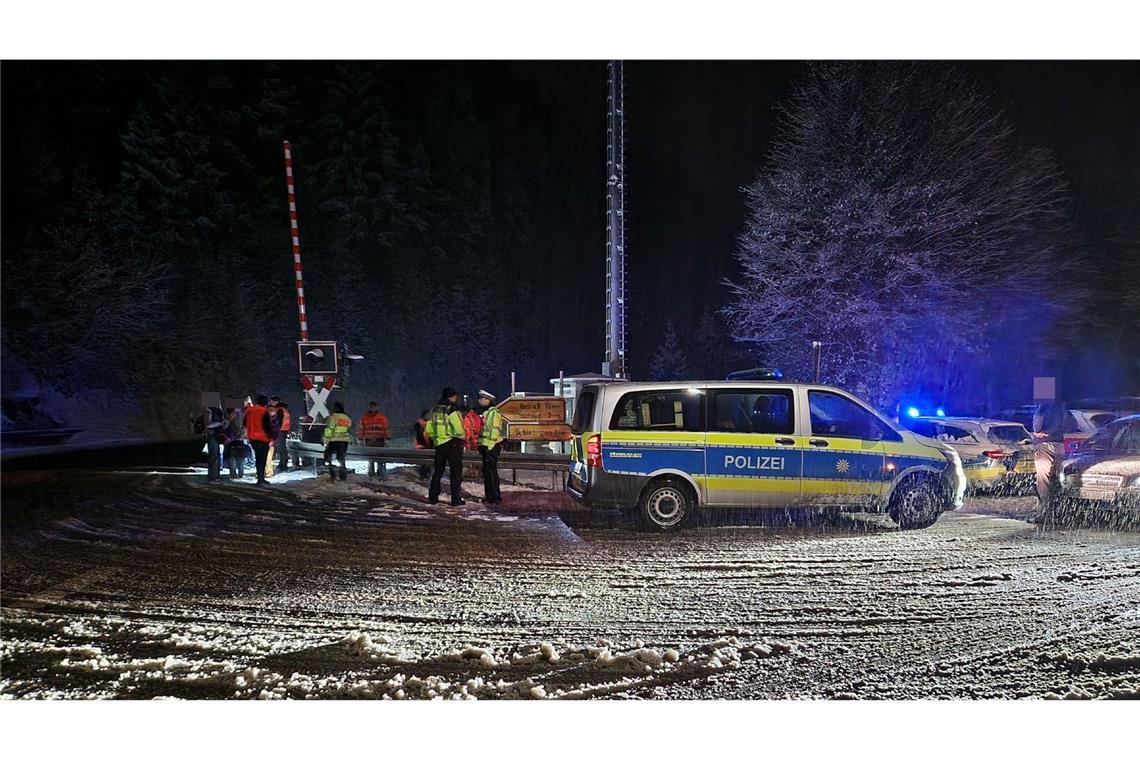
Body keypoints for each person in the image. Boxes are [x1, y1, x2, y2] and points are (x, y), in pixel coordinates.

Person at [426, 387, 465, 506]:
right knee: (455, 472)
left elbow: (429, 428)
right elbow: (458, 429)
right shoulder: (451, 409)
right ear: (452, 397)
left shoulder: (434, 409)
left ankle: (433, 497)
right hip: (452, 443)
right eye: (455, 396)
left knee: (438, 471)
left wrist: (436, 439)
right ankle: (456, 499)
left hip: (439, 444)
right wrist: (461, 437)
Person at [1033, 402, 1068, 520]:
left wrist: (1042, 432)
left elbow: (1037, 427)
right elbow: (1068, 424)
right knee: (1058, 477)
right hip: (1059, 445)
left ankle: (1045, 511)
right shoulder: (1062, 407)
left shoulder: (1043, 406)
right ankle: (1061, 510)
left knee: (1043, 479)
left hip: (1044, 445)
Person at [476, 389, 505, 504]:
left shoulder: (494, 413)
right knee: (488, 473)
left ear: (489, 400)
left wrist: (489, 447)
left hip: (492, 447)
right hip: (486, 446)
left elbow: (494, 431)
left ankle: (494, 497)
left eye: (482, 399)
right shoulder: (487, 412)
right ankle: (490, 497)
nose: (480, 401)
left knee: (491, 473)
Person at [245, 395, 276, 485]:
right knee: (262, 459)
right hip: (262, 438)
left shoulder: (249, 410)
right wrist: (271, 436)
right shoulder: (264, 411)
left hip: (252, 437)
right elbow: (267, 425)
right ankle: (261, 479)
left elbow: (244, 422)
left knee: (257, 458)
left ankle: (260, 478)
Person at [356, 401, 390, 480]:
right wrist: (360, 438)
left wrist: (387, 437)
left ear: (377, 407)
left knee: (380, 459)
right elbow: (361, 428)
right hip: (369, 440)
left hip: (379, 440)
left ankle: (380, 474)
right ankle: (371, 474)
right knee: (371, 459)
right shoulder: (364, 417)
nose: (373, 408)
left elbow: (386, 428)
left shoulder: (382, 417)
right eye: (372, 407)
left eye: (374, 407)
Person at [323, 401, 353, 482]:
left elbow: (329, 429)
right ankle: (343, 476)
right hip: (344, 441)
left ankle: (333, 475)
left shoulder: (333, 417)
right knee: (341, 458)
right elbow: (348, 426)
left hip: (334, 440)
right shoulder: (346, 418)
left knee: (328, 457)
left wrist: (326, 438)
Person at [201, 402, 226, 483]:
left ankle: (216, 475)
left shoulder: (217, 411)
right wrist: (219, 423)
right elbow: (207, 425)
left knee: (217, 455)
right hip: (212, 435)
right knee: (214, 456)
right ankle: (213, 476)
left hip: (216, 435)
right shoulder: (209, 410)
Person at [223, 406, 249, 479]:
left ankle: (234, 474)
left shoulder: (230, 414)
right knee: (239, 456)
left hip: (232, 438)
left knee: (233, 456)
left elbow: (226, 425)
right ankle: (239, 474)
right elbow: (244, 426)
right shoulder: (240, 414)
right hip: (236, 438)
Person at [271, 397, 292, 473]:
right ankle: (282, 463)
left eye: (272, 401)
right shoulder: (284, 409)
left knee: (281, 448)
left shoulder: (279, 409)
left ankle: (283, 465)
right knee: (281, 448)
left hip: (280, 430)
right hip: (284, 429)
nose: (271, 403)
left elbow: (278, 421)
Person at [412, 408, 432, 478]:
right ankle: (424, 474)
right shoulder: (423, 424)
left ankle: (425, 474)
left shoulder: (421, 423)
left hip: (423, 445)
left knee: (426, 462)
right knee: (426, 462)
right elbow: (422, 435)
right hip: (423, 445)